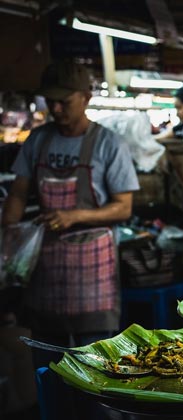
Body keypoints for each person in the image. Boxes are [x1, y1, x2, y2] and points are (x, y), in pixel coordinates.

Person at [1, 60, 139, 368]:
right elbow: (19, 193)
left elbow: (123, 207)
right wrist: (9, 235)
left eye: (64, 101)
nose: (57, 109)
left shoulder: (108, 143)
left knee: (98, 367)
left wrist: (75, 216)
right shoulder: (38, 140)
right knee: (50, 365)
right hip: (45, 268)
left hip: (93, 275)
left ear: (86, 98)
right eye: (51, 102)